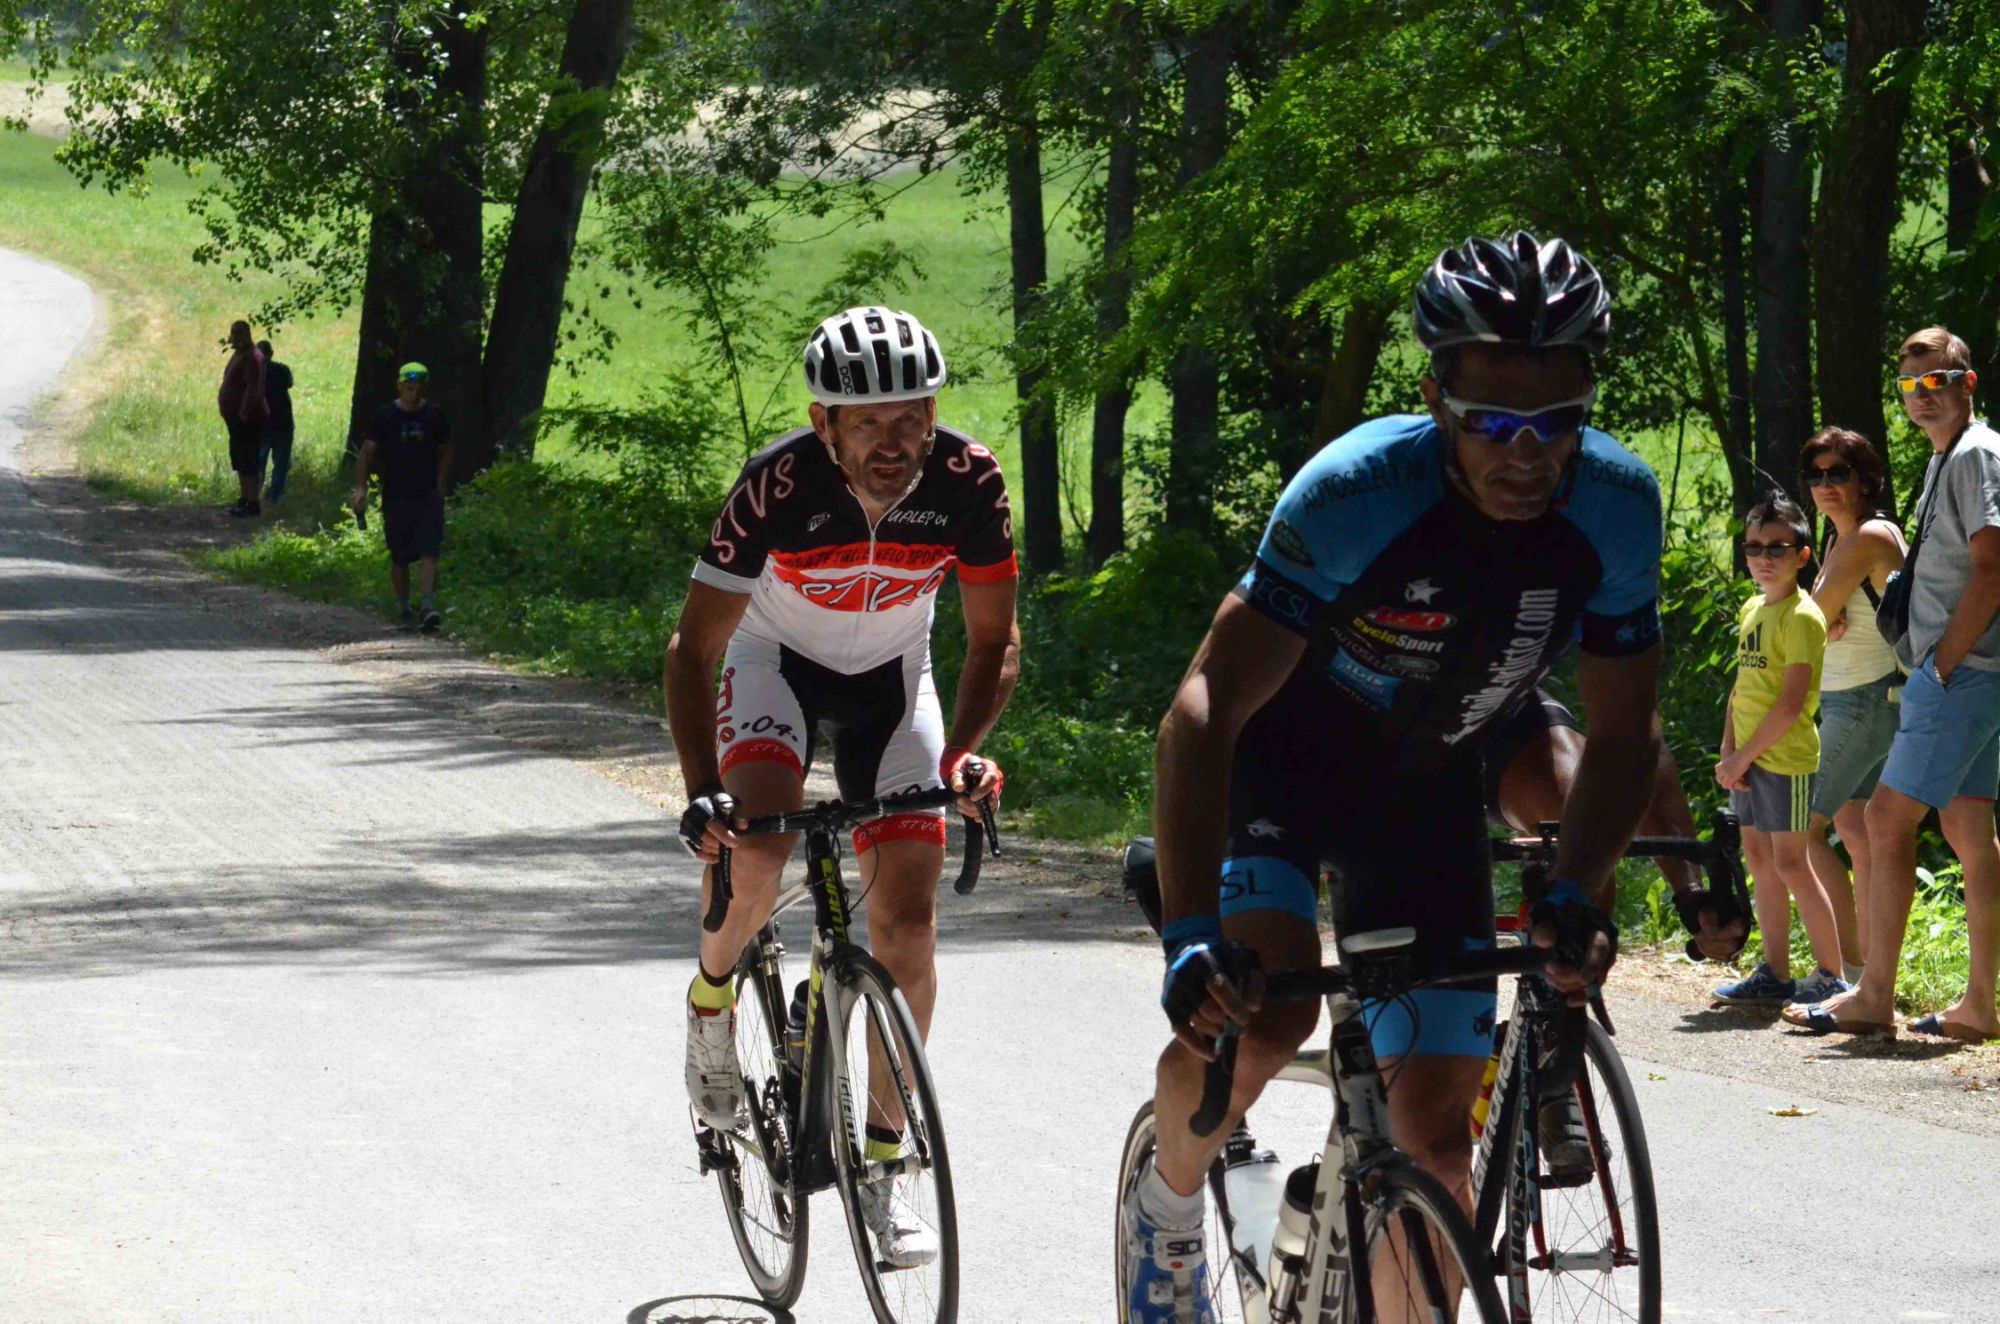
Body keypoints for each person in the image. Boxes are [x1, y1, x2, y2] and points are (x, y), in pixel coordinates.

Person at [1125, 233, 1665, 1324]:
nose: (1526, 454)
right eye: (1493, 423)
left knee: (1435, 1147)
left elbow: (1619, 733)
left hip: (1424, 792)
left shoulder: (1613, 504)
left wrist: (1573, 888)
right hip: (1281, 767)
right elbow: (1203, 709)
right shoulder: (1355, 491)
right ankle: (1165, 1205)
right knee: (1259, 1022)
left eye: (1555, 422)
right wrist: (1189, 934)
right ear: (1435, 399)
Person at [668, 307, 1017, 1266]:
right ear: (825, 424)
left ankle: (886, 1164)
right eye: (868, 423)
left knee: (907, 925)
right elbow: (693, 651)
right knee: (760, 851)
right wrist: (703, 791)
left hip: (895, 682)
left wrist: (962, 757)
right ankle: (710, 1005)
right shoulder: (776, 486)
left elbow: (994, 639)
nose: (894, 443)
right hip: (773, 666)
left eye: (912, 417)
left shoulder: (969, 480)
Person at [1789, 327, 2000, 1041]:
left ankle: (1873, 994)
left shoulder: (1975, 455)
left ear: (1967, 383)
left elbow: (1992, 566)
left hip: (1960, 672)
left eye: (1936, 381)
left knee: (1883, 821)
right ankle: (1979, 1006)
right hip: (1969, 671)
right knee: (1969, 829)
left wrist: (1941, 662)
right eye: (1910, 386)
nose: (1921, 396)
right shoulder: (1949, 456)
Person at [1709, 493, 1849, 1007]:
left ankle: (1832, 975)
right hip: (1747, 760)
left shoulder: (1803, 617)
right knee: (1758, 858)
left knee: (1792, 862)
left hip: (1783, 760)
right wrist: (1730, 751)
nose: (1763, 557)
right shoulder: (1752, 608)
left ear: (1802, 555)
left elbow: (1791, 704)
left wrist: (1744, 757)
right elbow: (1742, 688)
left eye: (1777, 548)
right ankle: (1774, 973)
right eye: (1754, 547)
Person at [1801, 427, 1906, 988]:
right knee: (1856, 833)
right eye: (1815, 475)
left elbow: (1804, 624)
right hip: (1857, 699)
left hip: (1865, 702)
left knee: (1800, 828)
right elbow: (1816, 620)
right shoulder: (1842, 542)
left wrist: (1817, 615)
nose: (1825, 485)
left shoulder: (1868, 536)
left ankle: (1837, 970)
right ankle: (1865, 976)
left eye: (1837, 473)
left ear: (1865, 479)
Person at [351, 363, 450, 632]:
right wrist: (361, 488)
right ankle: (404, 608)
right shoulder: (385, 416)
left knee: (429, 551)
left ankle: (427, 607)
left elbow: (444, 451)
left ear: (425, 387)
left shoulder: (435, 415)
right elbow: (366, 454)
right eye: (408, 386)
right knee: (400, 557)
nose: (413, 392)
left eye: (418, 387)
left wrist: (440, 484)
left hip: (427, 495)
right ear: (399, 386)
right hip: (396, 495)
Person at [217, 320, 269, 518]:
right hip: (236, 418)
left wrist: (243, 413)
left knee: (249, 460)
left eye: (239, 332)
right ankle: (244, 499)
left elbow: (253, 388)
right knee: (239, 458)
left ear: (248, 333)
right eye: (233, 332)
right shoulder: (239, 354)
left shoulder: (253, 357)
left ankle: (253, 503)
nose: (236, 336)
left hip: (248, 418)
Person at [256, 338, 295, 509]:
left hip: (261, 424)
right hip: (283, 422)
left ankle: (253, 495)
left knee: (258, 463)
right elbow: (290, 383)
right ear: (271, 353)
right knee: (281, 462)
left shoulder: (253, 373)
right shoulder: (282, 369)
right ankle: (275, 496)